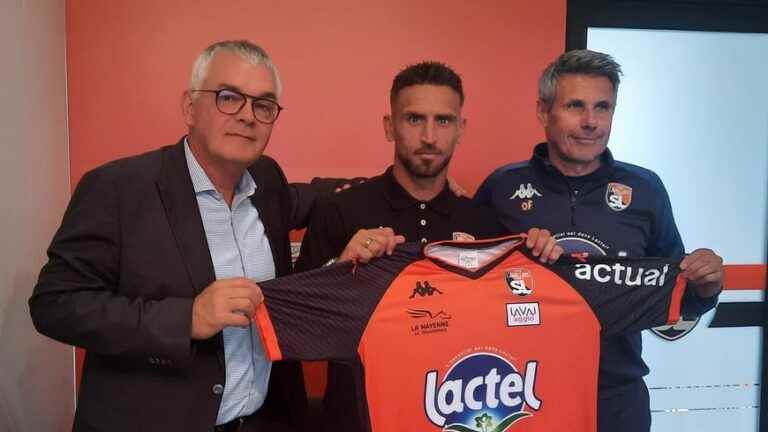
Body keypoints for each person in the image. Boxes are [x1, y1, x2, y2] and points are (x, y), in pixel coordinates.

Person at [29, 40, 310, 432]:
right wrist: (187, 318)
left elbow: (318, 196)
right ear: (190, 108)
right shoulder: (117, 188)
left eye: (263, 105)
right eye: (229, 97)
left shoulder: (268, 180)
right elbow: (54, 305)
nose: (248, 116)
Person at [295, 61, 561, 432]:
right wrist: (341, 268)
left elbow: (514, 326)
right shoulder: (339, 210)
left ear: (460, 130)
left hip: (457, 416)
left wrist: (542, 264)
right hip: (356, 418)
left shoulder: (484, 224)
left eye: (444, 121)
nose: (430, 137)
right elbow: (300, 329)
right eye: (414, 119)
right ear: (390, 127)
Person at [474, 49, 724, 432]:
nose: (591, 122)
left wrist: (706, 288)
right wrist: (518, 261)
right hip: (520, 396)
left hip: (618, 403)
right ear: (543, 111)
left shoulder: (645, 189)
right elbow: (466, 296)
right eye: (575, 106)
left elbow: (674, 300)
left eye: (603, 107)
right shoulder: (501, 187)